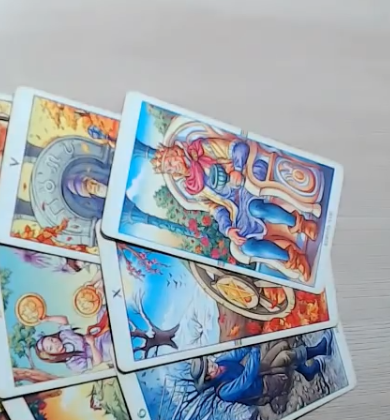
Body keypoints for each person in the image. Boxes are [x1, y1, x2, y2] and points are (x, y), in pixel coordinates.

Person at [151, 137, 318, 280]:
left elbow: (239, 147)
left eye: (170, 162)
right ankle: (294, 259)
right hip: (237, 206)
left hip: (248, 175)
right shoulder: (192, 188)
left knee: (255, 208)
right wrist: (228, 229)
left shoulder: (201, 148)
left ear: (176, 152)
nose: (173, 168)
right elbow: (216, 209)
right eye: (169, 169)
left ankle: (301, 224)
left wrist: (237, 170)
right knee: (247, 246)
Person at [189, 332, 333, 412]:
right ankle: (320, 349)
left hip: (259, 371)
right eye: (209, 369)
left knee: (282, 346)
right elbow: (246, 380)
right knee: (285, 357)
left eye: (209, 363)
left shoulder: (221, 362)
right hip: (264, 387)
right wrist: (254, 351)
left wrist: (249, 341)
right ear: (207, 378)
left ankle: (307, 372)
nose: (212, 365)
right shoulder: (224, 392)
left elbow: (237, 354)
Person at [34, 273, 112, 373]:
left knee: (101, 309)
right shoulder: (72, 363)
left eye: (51, 340)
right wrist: (92, 345)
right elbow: (97, 362)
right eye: (51, 348)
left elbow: (64, 320)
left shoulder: (64, 337)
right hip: (103, 348)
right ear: (51, 356)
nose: (55, 343)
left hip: (98, 333)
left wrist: (48, 318)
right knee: (109, 342)